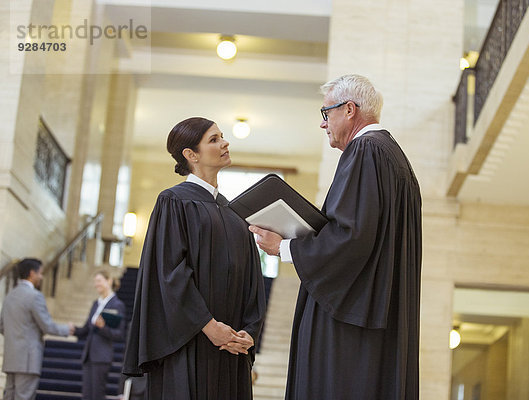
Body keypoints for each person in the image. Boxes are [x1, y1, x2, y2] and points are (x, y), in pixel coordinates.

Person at [250, 74, 422, 399]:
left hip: (351, 326)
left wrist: (284, 247)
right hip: (378, 320)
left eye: (325, 113)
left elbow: (351, 236)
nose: (323, 124)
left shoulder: (366, 152)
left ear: (349, 110)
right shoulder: (393, 157)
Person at [122, 117, 266, 400]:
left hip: (232, 348)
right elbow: (170, 273)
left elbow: (252, 277)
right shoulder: (174, 202)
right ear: (191, 155)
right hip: (189, 343)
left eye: (222, 137)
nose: (225, 143)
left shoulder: (235, 212)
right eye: (213, 139)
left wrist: (248, 333)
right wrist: (210, 328)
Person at [0, 258, 74, 400]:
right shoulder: (35, 296)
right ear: (32, 273)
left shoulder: (9, 296)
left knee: (9, 397)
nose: (41, 276)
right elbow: (47, 325)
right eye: (40, 273)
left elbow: (2, 326)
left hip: (11, 358)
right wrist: (67, 329)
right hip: (28, 360)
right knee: (24, 397)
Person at [74, 271, 126, 400]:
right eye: (95, 281)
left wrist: (103, 328)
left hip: (102, 356)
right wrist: (73, 330)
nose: (96, 284)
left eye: (99, 281)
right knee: (86, 395)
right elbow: (87, 328)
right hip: (89, 355)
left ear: (109, 281)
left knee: (97, 394)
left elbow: (119, 334)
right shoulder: (95, 304)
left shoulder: (117, 305)